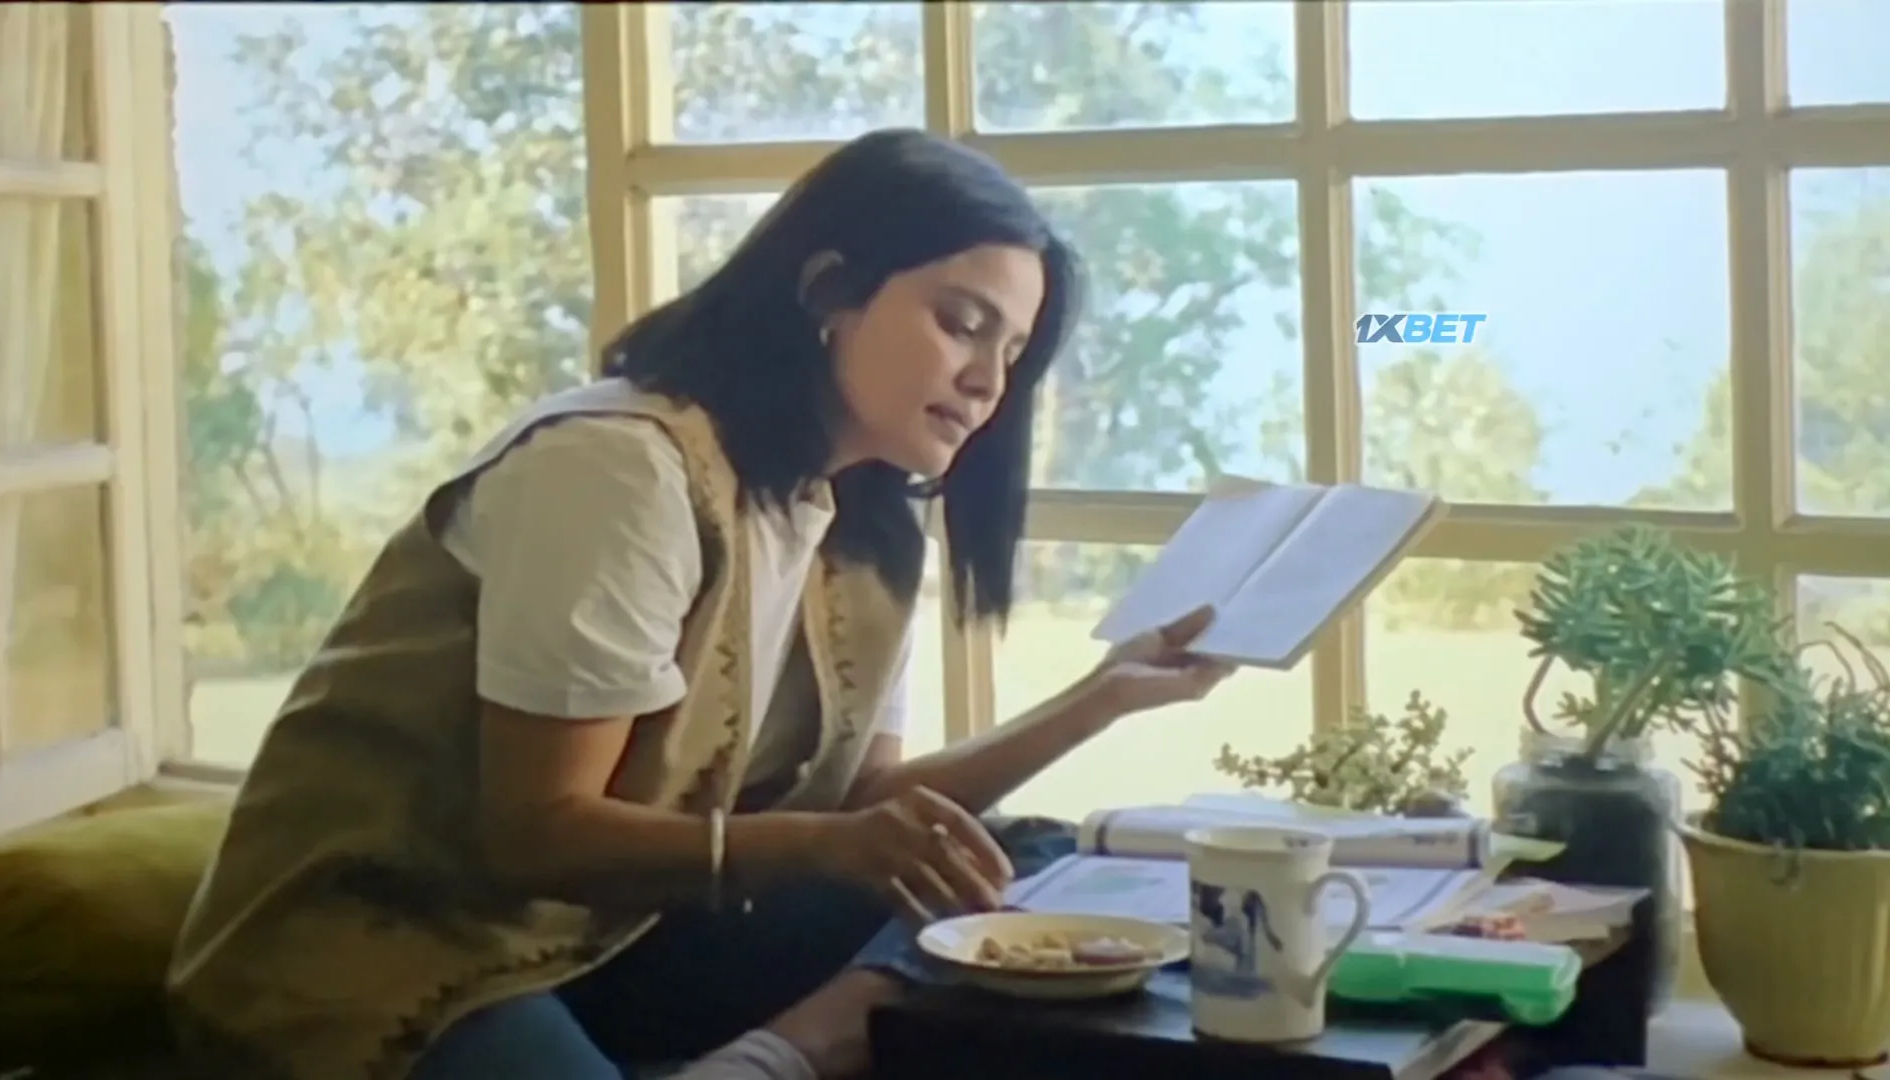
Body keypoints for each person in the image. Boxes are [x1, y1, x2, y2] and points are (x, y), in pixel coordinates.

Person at [166, 128, 1237, 1080]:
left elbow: (869, 807)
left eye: (1012, 354)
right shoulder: (619, 467)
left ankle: (778, 1056)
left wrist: (1103, 697)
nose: (988, 382)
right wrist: (823, 849)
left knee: (1030, 862)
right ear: (828, 291)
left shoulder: (863, 521)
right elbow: (536, 834)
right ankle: (799, 1049)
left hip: (622, 934)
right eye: (963, 325)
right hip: (410, 941)